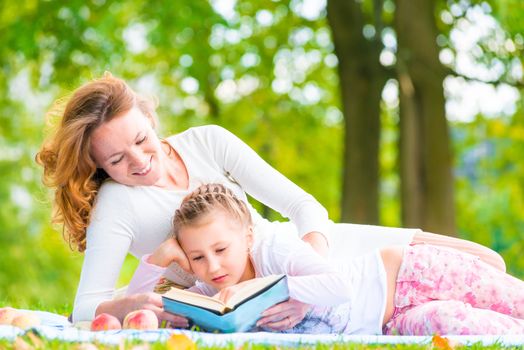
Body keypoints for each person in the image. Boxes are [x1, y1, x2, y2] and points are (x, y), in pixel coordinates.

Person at [36, 73, 506, 327]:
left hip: (324, 257)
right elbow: (85, 308)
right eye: (117, 159)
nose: (139, 160)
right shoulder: (118, 205)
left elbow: (305, 209)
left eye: (142, 139)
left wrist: (302, 283)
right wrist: (150, 280)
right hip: (286, 307)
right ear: (99, 166)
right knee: (465, 318)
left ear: (150, 118)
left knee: (489, 265)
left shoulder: (207, 141)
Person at [128, 183, 524, 335]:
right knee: (456, 325)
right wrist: (157, 260)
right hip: (390, 323)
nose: (213, 267)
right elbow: (140, 313)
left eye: (220, 250)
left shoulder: (274, 249)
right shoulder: (212, 296)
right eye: (196, 257)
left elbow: (340, 285)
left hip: (408, 274)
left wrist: (278, 289)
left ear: (246, 236)